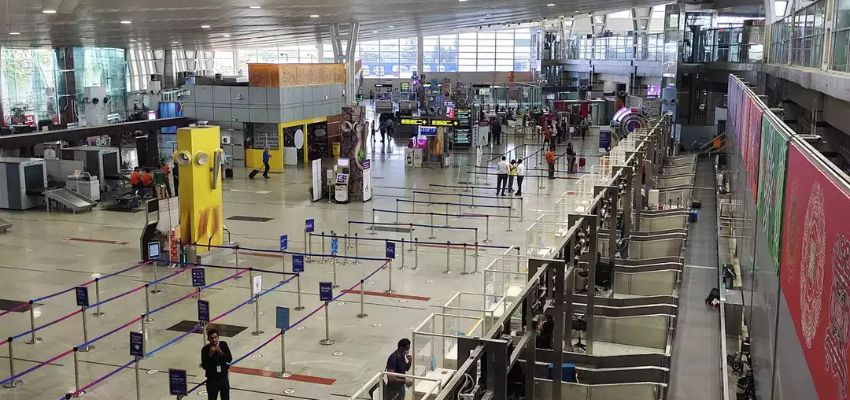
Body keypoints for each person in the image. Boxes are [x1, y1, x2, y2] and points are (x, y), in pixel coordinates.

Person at [201, 329, 233, 400]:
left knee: (225, 397)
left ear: (218, 337)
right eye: (212, 338)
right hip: (212, 379)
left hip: (223, 378)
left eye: (215, 337)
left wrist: (221, 352)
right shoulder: (205, 349)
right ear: (208, 338)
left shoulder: (223, 344)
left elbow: (229, 359)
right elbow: (204, 366)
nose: (214, 340)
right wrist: (210, 355)